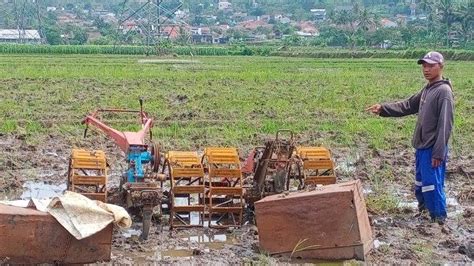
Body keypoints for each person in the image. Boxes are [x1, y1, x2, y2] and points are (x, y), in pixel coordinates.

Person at [366, 51, 454, 225]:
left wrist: (438, 153)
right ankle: (424, 213)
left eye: (431, 66)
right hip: (421, 147)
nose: (426, 69)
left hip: (432, 148)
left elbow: (445, 124)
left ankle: (439, 219)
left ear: (441, 67)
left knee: (432, 184)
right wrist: (383, 109)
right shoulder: (428, 89)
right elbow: (408, 105)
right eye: (424, 65)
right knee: (421, 183)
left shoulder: (443, 91)